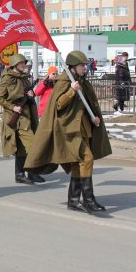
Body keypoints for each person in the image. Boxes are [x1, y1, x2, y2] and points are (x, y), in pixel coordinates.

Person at [24, 51, 112, 213]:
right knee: (87, 159)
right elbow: (57, 105)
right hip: (69, 130)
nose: (85, 68)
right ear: (72, 67)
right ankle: (88, 200)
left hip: (83, 128)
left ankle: (73, 200)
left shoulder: (81, 81)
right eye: (81, 65)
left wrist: (94, 117)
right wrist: (71, 91)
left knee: (79, 162)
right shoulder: (64, 82)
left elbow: (86, 104)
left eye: (85, 65)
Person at [0, 54, 43, 185]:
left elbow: (26, 94)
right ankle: (29, 172)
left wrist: (31, 94)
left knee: (22, 147)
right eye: (21, 63)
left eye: (24, 63)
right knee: (33, 145)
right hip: (15, 116)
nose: (23, 65)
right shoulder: (8, 79)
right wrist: (12, 107)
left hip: (26, 115)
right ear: (15, 65)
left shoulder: (24, 78)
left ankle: (25, 174)